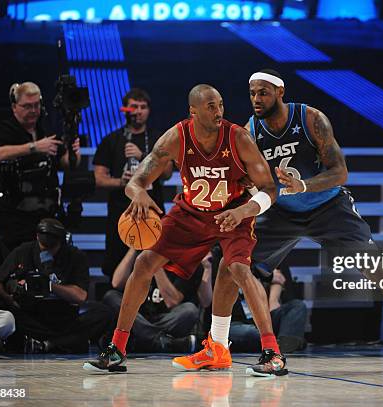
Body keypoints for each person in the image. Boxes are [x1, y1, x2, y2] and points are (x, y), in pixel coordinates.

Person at [213, 69, 383, 372]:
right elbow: (252, 180)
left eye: (263, 92)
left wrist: (304, 185)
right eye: (252, 93)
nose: (256, 99)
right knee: (229, 265)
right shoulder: (251, 130)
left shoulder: (311, 119)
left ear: (280, 92)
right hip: (283, 212)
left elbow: (339, 172)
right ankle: (217, 348)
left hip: (328, 206)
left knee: (376, 268)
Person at [84, 84, 287, 377]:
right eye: (211, 107)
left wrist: (243, 211)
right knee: (143, 263)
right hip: (190, 213)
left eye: (220, 105)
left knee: (239, 270)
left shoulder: (238, 138)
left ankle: (273, 353)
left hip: (233, 213)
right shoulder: (176, 137)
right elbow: (136, 180)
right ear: (193, 111)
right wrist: (137, 193)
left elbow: (270, 189)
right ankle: (116, 349)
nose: (219, 112)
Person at [0, 218, 114, 353]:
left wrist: (50, 285)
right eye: (43, 247)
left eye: (51, 248)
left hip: (63, 317)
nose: (46, 252)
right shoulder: (23, 251)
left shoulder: (76, 256)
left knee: (103, 313)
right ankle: (63, 343)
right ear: (37, 237)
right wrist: (9, 298)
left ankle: (48, 344)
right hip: (31, 316)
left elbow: (80, 296)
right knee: (4, 311)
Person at [0, 82, 81, 250]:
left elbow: (66, 163)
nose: (33, 110)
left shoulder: (47, 130)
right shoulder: (3, 129)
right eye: (27, 106)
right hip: (10, 214)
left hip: (44, 212)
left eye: (36, 105)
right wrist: (34, 147)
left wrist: (74, 153)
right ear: (14, 107)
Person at [93, 88, 171, 278]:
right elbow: (99, 178)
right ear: (125, 109)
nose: (138, 111)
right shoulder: (111, 139)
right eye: (134, 107)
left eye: (143, 107)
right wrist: (122, 182)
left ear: (149, 110)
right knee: (117, 266)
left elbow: (167, 173)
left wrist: (143, 156)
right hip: (121, 211)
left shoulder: (158, 140)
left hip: (152, 210)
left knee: (155, 263)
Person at [102, 247, 213, 353]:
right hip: (138, 317)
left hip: (165, 318)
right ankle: (164, 342)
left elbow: (172, 301)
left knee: (189, 310)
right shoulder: (140, 256)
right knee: (111, 296)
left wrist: (154, 264)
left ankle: (142, 339)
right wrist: (134, 248)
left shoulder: (183, 261)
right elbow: (116, 283)